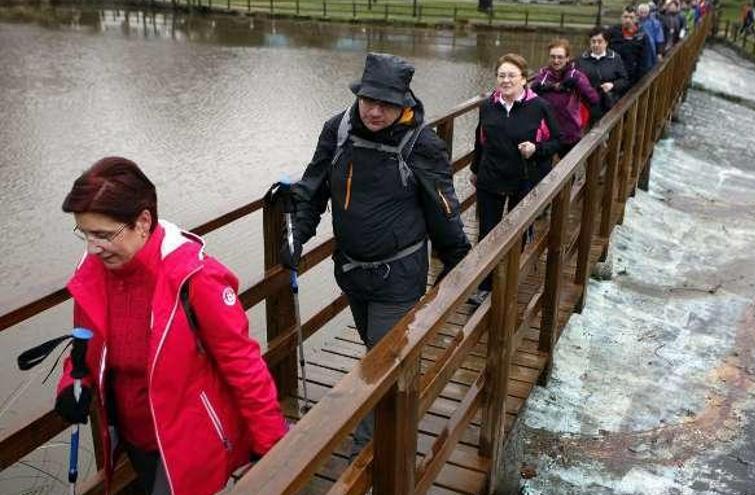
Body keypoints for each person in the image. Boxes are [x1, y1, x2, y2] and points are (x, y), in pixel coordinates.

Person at [269, 52, 470, 457]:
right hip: (351, 270)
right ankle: (387, 421)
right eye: (369, 101)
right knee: (375, 351)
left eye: (386, 104)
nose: (375, 111)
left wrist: (461, 264)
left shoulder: (422, 144)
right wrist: (296, 240)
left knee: (380, 366)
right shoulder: (337, 130)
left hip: (399, 275)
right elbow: (312, 189)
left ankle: (367, 460)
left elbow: (444, 209)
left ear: (403, 103)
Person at [54, 157, 287, 495]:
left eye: (103, 235)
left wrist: (272, 445)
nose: (92, 247)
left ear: (143, 221)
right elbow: (85, 349)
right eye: (85, 234)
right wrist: (70, 383)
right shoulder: (93, 272)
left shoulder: (195, 278)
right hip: (133, 439)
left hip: (187, 444)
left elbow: (243, 364)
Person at [468, 53, 561, 304]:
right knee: (487, 233)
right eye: (501, 75)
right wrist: (475, 170)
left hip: (524, 177)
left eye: (512, 75)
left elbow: (558, 140)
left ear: (523, 78)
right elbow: (480, 139)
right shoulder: (488, 105)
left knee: (515, 234)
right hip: (491, 176)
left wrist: (536, 149)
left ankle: (506, 282)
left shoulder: (539, 106)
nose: (506, 80)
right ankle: (485, 286)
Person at [532, 39, 600, 156]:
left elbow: (594, 98)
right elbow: (530, 97)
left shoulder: (576, 75)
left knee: (568, 169)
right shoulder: (543, 75)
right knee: (547, 171)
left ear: (567, 58)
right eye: (553, 57)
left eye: (560, 57)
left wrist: (578, 83)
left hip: (570, 133)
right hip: (547, 133)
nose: (556, 61)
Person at [575, 27, 630, 123]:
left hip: (608, 105)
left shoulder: (615, 58)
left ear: (606, 43)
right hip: (586, 105)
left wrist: (613, 85)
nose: (596, 45)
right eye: (593, 41)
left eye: (600, 42)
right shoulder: (581, 59)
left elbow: (624, 80)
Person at [608, 6, 657, 86]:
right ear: (621, 18)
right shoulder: (612, 32)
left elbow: (646, 59)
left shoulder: (642, 36)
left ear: (636, 19)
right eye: (625, 17)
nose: (628, 20)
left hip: (634, 78)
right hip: (615, 77)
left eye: (631, 17)